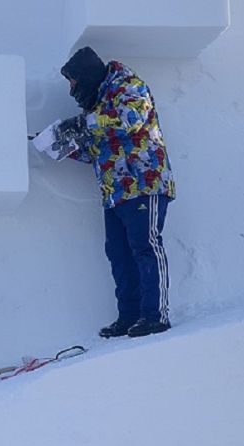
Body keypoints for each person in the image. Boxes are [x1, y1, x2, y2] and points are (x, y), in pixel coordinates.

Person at [48, 46, 176, 338]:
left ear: (87, 75)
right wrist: (63, 146)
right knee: (118, 253)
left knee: (146, 246)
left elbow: (129, 122)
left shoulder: (128, 87)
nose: (72, 91)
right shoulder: (96, 105)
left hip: (144, 183)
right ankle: (129, 317)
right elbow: (99, 150)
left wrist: (82, 124)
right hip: (115, 191)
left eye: (73, 83)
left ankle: (156, 316)